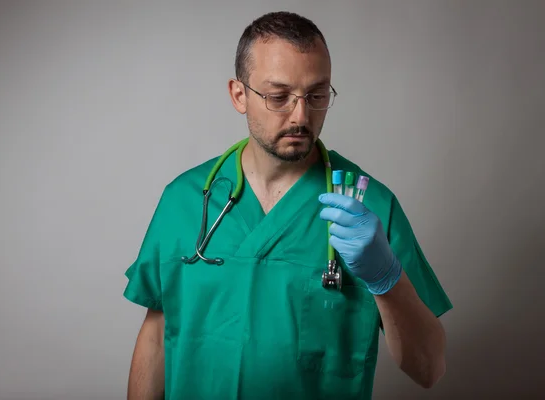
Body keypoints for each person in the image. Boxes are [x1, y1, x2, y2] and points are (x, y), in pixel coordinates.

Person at [124, 11, 452, 400]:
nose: (301, 116)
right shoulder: (184, 200)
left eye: (317, 95)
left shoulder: (366, 207)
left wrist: (386, 279)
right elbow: (158, 337)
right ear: (238, 95)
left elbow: (429, 368)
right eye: (278, 97)